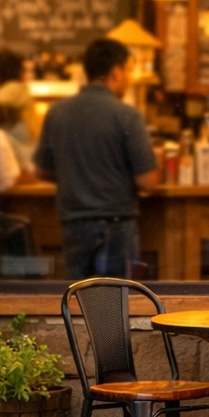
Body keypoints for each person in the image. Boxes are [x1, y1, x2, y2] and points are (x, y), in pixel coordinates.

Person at [33, 38, 161, 280]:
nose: (130, 78)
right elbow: (148, 182)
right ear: (116, 73)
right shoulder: (127, 115)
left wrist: (76, 173)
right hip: (116, 225)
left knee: (79, 303)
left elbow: (41, 170)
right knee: (117, 305)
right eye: (129, 71)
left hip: (73, 224)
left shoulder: (57, 112)